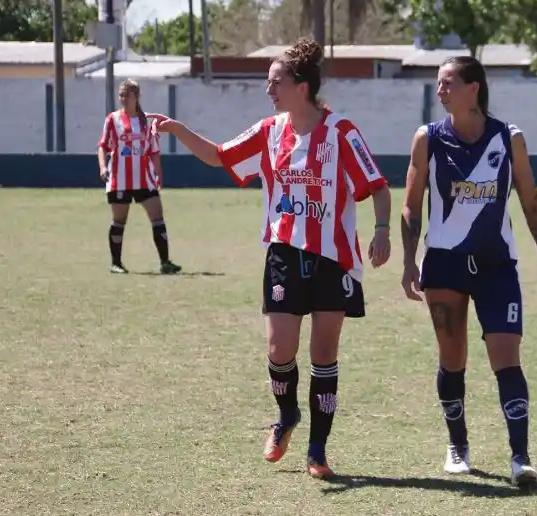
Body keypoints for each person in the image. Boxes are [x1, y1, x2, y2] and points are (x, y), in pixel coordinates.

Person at [147, 38, 392, 479]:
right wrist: (177, 130)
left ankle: (318, 449)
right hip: (282, 254)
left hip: (332, 259)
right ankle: (287, 415)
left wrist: (381, 230)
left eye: (275, 81)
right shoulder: (269, 131)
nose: (269, 89)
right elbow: (221, 156)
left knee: (323, 353)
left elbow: (376, 184)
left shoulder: (341, 132)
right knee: (280, 349)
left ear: (302, 85)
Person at [399, 56, 537, 487]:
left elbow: (530, 201)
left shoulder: (509, 139)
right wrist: (408, 259)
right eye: (438, 84)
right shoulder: (427, 139)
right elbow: (411, 204)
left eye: (448, 82)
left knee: (507, 358)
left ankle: (520, 458)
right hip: (445, 264)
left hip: (496, 265)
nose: (439, 91)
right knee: (452, 360)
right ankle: (458, 445)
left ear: (474, 88)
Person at [97, 79, 182, 275]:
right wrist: (103, 167)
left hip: (144, 179)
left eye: (127, 95)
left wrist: (158, 174)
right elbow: (103, 146)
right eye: (121, 95)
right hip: (119, 179)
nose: (123, 99)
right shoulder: (113, 119)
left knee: (158, 217)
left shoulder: (146, 121)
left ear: (137, 96)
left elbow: (153, 151)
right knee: (119, 220)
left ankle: (165, 262)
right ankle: (116, 263)